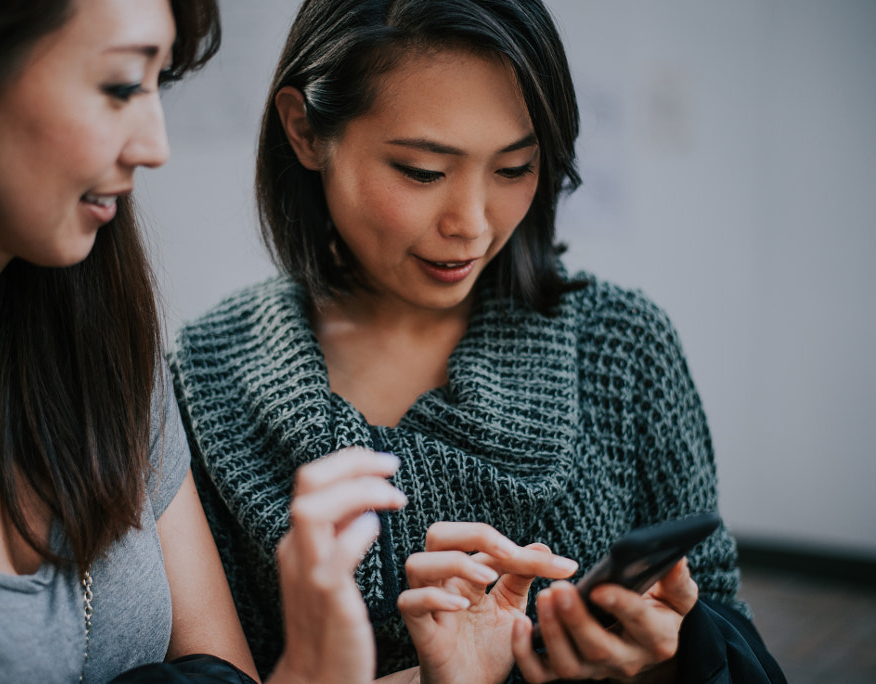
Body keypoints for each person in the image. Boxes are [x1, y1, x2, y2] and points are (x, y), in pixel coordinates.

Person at [170, 0, 788, 682]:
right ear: (305, 130)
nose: (471, 225)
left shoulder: (622, 346)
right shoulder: (207, 381)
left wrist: (673, 654)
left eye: (514, 168)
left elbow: (725, 619)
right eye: (423, 172)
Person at [0, 1, 411, 682]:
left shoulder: (103, 350)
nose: (154, 145)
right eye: (120, 87)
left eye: (158, 85)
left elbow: (224, 669)